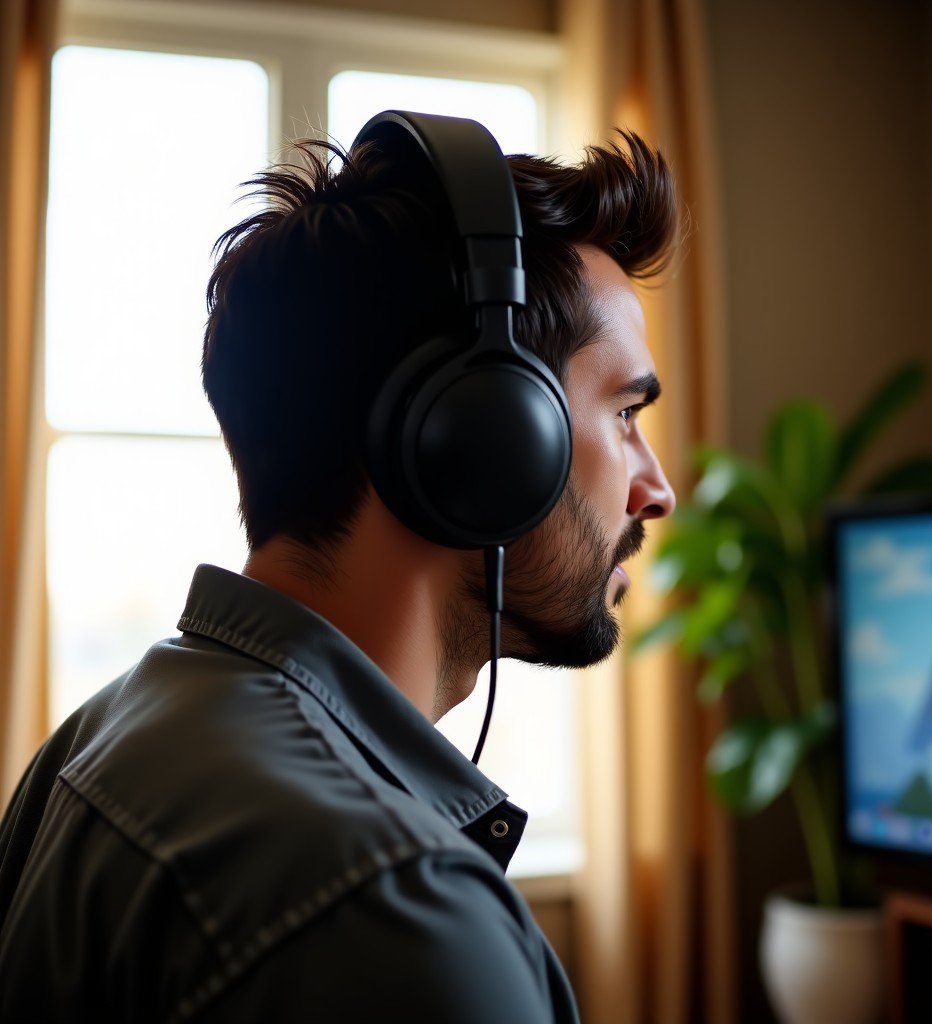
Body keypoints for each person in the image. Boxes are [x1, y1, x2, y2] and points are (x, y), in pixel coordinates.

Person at [0, 115, 678, 1021]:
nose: (657, 488)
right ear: (488, 436)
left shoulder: (97, 740)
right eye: (626, 414)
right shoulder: (399, 922)